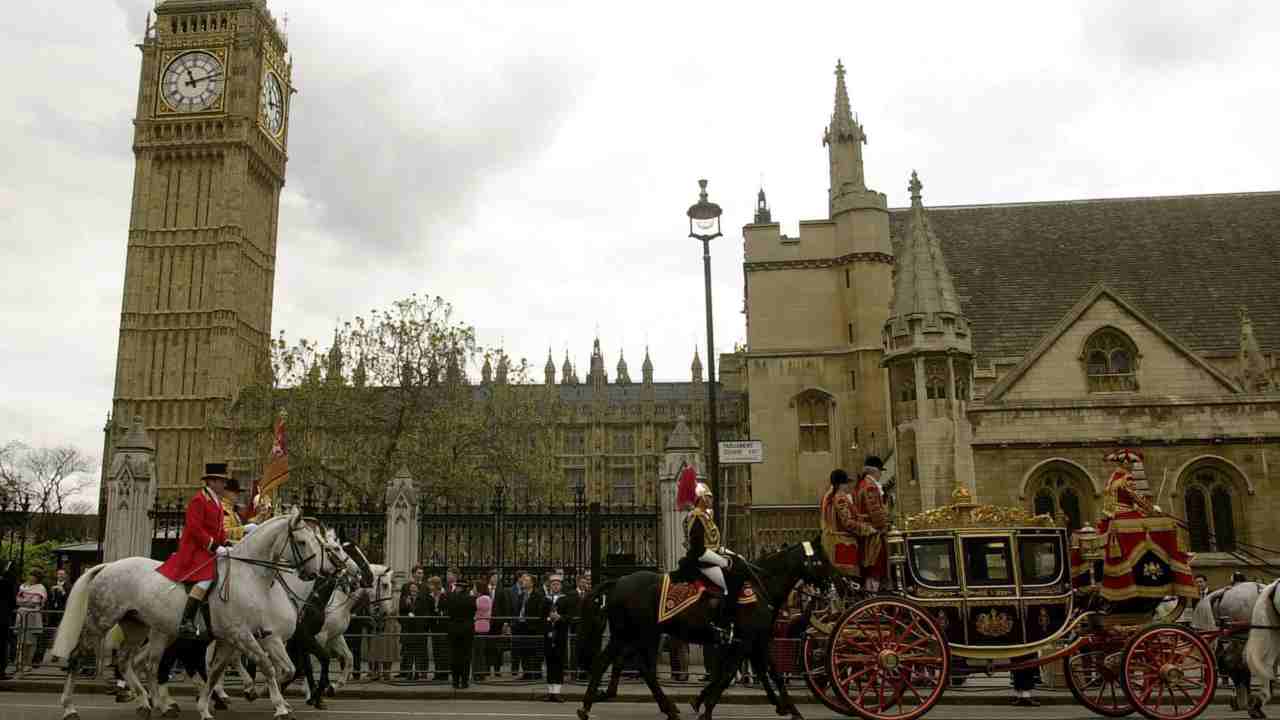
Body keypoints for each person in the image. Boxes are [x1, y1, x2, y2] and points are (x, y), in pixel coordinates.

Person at [156, 462, 230, 639]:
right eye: (221, 481)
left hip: (209, 550)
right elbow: (195, 529)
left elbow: (218, 529)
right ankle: (186, 621)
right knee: (206, 579)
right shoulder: (199, 499)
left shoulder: (217, 501)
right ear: (211, 482)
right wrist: (214, 546)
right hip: (195, 550)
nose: (224, 485)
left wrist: (225, 542)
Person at [683, 482, 735, 643]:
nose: (711, 500)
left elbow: (714, 544)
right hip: (701, 562)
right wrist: (722, 560)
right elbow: (698, 548)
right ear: (702, 498)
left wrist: (729, 553)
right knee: (728, 586)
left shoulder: (706, 516)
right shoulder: (696, 516)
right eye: (709, 497)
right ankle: (719, 625)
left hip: (710, 557)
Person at [852, 456, 891, 591]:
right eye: (880, 471)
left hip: (866, 532)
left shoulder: (861, 484)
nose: (881, 475)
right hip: (874, 535)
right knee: (876, 569)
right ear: (875, 471)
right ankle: (873, 598)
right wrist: (885, 526)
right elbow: (875, 511)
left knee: (871, 570)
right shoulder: (870, 486)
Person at [541, 573, 572, 702]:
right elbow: (540, 616)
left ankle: (557, 692)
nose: (555, 586)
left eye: (557, 584)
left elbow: (570, 617)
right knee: (549, 662)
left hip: (560, 635)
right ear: (550, 586)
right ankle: (550, 691)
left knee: (559, 663)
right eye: (553, 584)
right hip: (548, 635)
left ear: (561, 586)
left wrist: (560, 618)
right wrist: (548, 619)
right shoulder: (545, 599)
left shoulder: (565, 599)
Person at [444, 577, 477, 688]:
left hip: (453, 629)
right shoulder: (472, 599)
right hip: (467, 630)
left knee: (454, 656)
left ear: (459, 587)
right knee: (466, 657)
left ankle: (455, 681)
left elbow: (447, 610)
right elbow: (473, 612)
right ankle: (464, 681)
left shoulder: (451, 597)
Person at [15, 569, 47, 674]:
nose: (31, 577)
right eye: (30, 575)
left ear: (37, 578)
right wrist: (27, 601)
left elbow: (36, 602)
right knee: (21, 641)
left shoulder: (40, 588)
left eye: (33, 576)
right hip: (22, 616)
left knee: (31, 641)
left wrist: (25, 601)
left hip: (33, 617)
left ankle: (28, 663)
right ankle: (21, 662)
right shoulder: (23, 586)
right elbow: (18, 600)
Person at [472, 580, 492, 681]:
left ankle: (480, 673)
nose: (473, 589)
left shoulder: (484, 598)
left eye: (474, 587)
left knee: (479, 652)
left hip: (481, 627)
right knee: (478, 652)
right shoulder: (481, 598)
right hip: (480, 626)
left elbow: (475, 608)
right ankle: (478, 672)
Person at [0, 562, 17, 679]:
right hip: (3, 617)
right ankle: (1, 671)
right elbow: (12, 601)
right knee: (2, 646)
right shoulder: (7, 582)